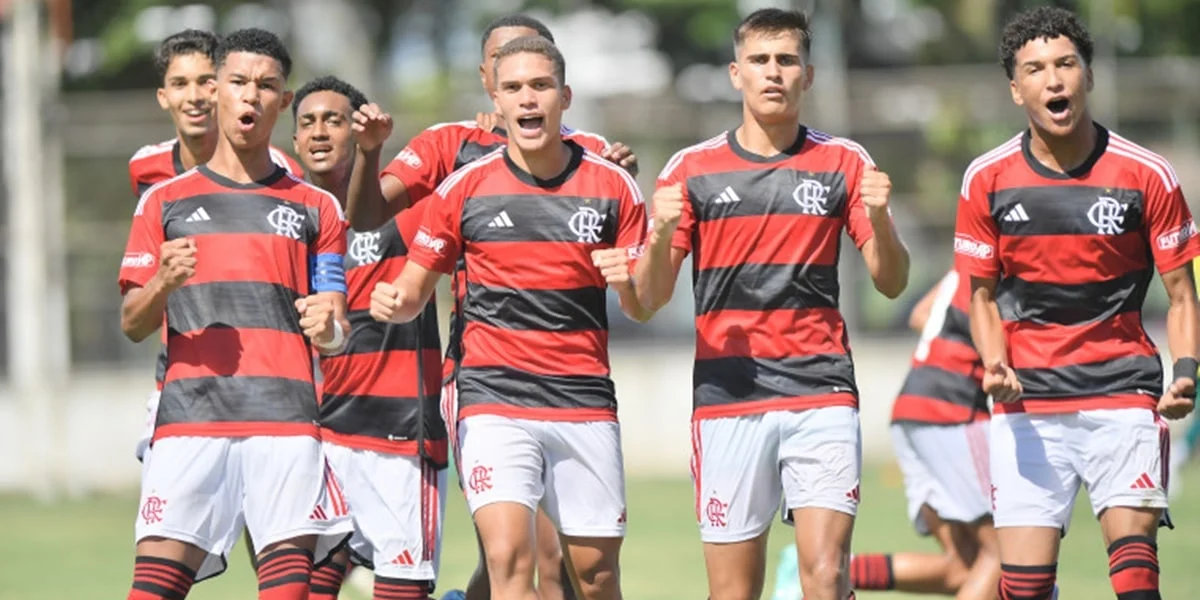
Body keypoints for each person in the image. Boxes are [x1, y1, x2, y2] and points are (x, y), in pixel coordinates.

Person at [347, 14, 638, 600]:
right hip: (486, 380)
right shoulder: (451, 154)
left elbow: (641, 292)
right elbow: (371, 222)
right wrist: (397, 298)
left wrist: (634, 262)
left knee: (577, 567)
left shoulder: (601, 165)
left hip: (578, 387)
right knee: (510, 553)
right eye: (510, 78)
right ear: (488, 83)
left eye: (538, 77)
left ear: (560, 86)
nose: (526, 92)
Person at [633, 8, 910, 600]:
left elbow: (891, 282)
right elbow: (651, 298)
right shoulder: (692, 170)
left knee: (827, 575)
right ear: (736, 73)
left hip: (821, 389)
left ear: (808, 75)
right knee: (733, 592)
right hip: (727, 397)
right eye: (759, 60)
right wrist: (658, 237)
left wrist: (881, 218)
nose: (773, 73)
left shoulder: (845, 161)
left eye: (786, 60)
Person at [953, 7, 1199, 600]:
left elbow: (1182, 295)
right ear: (1016, 89)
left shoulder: (1147, 174)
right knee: (1026, 589)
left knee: (1138, 581)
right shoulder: (986, 179)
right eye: (1035, 69)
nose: (1054, 80)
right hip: (1028, 406)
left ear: (1088, 74)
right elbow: (980, 296)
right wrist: (994, 364)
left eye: (1066, 64)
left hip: (1123, 394)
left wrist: (1186, 371)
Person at [118, 28, 353, 600]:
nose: (251, 96)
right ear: (216, 89)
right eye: (239, 82)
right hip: (191, 419)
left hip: (286, 422)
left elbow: (338, 327)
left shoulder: (316, 207)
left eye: (267, 86)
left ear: (284, 101)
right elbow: (132, 322)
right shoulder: (164, 200)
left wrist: (331, 330)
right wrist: (163, 283)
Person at [291, 75, 449, 600]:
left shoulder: (406, 215)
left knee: (402, 587)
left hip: (398, 435)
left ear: (358, 133)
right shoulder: (290, 226)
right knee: (305, 583)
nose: (319, 132)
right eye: (307, 122)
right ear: (293, 142)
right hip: (321, 434)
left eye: (333, 120)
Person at [129, 28, 303, 468]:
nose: (196, 96)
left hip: (268, 387)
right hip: (183, 375)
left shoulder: (278, 172)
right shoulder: (147, 171)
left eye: (207, 81)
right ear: (162, 96)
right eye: (180, 83)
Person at [774, 271, 1000, 600]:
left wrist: (951, 345)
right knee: (1005, 553)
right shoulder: (1004, 260)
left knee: (963, 566)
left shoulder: (963, 265)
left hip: (913, 405)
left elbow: (920, 315)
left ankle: (809, 571)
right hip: (954, 408)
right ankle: (814, 570)